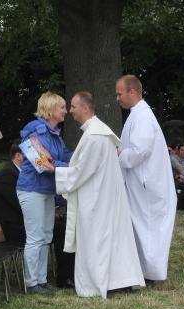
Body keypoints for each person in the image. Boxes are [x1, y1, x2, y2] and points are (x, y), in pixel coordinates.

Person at [44, 91, 144, 298]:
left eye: (73, 106)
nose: (70, 111)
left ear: (85, 108)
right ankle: (115, 280)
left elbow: (82, 171)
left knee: (97, 239)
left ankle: (99, 282)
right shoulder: (97, 132)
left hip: (97, 197)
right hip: (103, 194)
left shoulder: (95, 136)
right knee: (109, 239)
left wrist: (56, 171)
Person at [115, 74, 177, 283]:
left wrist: (118, 154)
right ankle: (143, 269)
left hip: (146, 184)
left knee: (148, 229)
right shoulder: (137, 115)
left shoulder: (143, 116)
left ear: (132, 91)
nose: (117, 98)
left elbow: (139, 151)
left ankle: (150, 272)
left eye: (119, 93)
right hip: (142, 182)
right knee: (142, 227)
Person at [0, 145, 75, 288]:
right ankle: (63, 276)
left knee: (63, 227)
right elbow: (19, 205)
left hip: (26, 219)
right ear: (19, 156)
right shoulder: (8, 174)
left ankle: (55, 276)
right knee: (62, 231)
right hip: (14, 227)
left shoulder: (19, 173)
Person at [17, 92, 73, 294]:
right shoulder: (35, 132)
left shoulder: (55, 134)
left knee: (46, 235)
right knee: (35, 237)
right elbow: (42, 163)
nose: (66, 111)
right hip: (32, 190)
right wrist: (66, 165)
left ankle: (41, 280)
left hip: (47, 191)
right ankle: (32, 283)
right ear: (50, 109)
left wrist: (82, 155)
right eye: (62, 107)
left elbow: (64, 155)